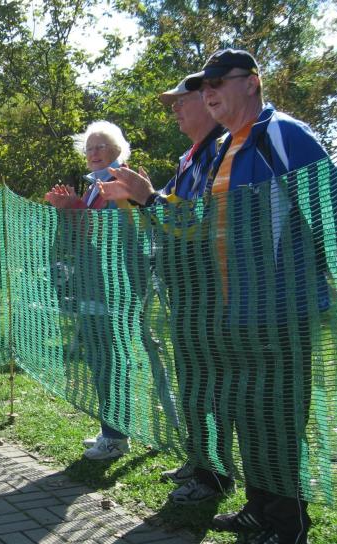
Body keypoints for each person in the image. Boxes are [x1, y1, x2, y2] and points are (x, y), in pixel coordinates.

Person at [181, 48, 337, 544]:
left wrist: (308, 283)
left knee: (279, 423)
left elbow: (330, 210)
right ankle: (259, 509)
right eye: (204, 86)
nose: (208, 92)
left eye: (218, 81)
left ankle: (289, 533)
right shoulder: (226, 146)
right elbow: (202, 225)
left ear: (252, 82)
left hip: (282, 313)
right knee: (251, 416)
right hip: (238, 313)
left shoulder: (283, 133)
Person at [98, 77, 233, 504]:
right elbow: (166, 220)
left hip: (209, 288)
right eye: (172, 102)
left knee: (210, 383)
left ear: (207, 102)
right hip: (185, 291)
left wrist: (148, 197)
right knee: (192, 380)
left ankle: (215, 475)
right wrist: (141, 201)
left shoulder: (221, 150)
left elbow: (199, 220)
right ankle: (200, 459)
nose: (174, 109)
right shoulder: (189, 156)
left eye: (181, 101)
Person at [45, 120, 133, 460]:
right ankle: (112, 429)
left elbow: (109, 234)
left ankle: (115, 437)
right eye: (89, 148)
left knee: (108, 361)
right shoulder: (95, 186)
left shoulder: (119, 183)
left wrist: (74, 209)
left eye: (101, 147)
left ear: (117, 151)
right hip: (93, 285)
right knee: (99, 359)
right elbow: (82, 236)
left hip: (111, 289)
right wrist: (68, 209)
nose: (94, 153)